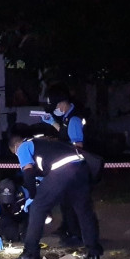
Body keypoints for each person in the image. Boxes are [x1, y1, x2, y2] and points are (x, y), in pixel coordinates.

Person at [8, 128, 103, 259]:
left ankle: (30, 253)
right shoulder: (42, 142)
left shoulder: (22, 147)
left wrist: (32, 196)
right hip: (81, 168)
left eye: (15, 154)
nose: (17, 156)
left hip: (62, 169)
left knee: (37, 208)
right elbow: (44, 173)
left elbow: (28, 172)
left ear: (15, 146)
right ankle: (94, 254)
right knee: (84, 211)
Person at [41, 86, 91, 246]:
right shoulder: (67, 118)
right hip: (69, 168)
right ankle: (67, 228)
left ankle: (76, 235)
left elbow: (78, 146)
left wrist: (61, 147)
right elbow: (65, 133)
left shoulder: (74, 119)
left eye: (55, 106)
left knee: (73, 204)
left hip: (75, 169)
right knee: (65, 201)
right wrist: (53, 123)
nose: (55, 110)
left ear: (62, 104)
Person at [0, 178, 30, 250]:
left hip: (24, 215)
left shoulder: (24, 193)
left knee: (28, 237)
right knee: (12, 237)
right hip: (7, 217)